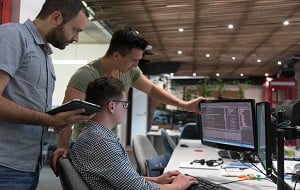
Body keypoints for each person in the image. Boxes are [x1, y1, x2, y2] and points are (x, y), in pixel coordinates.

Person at [50, 28, 205, 173]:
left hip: (112, 144)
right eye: (133, 60)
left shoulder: (130, 71)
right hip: (91, 147)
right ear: (116, 55)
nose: (136, 65)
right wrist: (63, 146)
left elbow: (151, 89)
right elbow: (67, 115)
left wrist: (184, 105)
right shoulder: (85, 75)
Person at [0, 0, 94, 189]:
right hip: (5, 166)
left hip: (28, 166)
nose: (76, 38)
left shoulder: (44, 55)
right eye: (75, 30)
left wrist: (60, 119)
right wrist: (50, 120)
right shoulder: (13, 36)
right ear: (56, 17)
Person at [70, 76, 199, 190]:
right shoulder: (101, 143)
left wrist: (157, 180)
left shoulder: (94, 134)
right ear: (112, 107)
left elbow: (125, 180)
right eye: (125, 105)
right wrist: (177, 186)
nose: (126, 109)